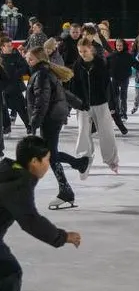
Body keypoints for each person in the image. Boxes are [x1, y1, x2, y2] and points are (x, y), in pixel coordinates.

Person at [0, 136, 82, 291]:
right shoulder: (18, 183)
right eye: (46, 160)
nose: (48, 164)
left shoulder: (9, 171)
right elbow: (30, 221)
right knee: (9, 273)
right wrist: (62, 237)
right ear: (34, 161)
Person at [25, 47, 88, 210]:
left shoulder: (41, 74)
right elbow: (62, 92)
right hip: (54, 116)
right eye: (27, 58)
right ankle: (77, 165)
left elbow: (42, 101)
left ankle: (67, 189)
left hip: (50, 118)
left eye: (30, 59)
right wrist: (79, 103)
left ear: (39, 59)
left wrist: (34, 122)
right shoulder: (45, 72)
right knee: (50, 154)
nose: (28, 61)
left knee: (50, 155)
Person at [71, 38, 119, 176]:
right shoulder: (77, 65)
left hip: (101, 104)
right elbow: (74, 85)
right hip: (83, 106)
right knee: (83, 133)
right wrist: (76, 102)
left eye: (85, 51)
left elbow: (107, 85)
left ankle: (112, 161)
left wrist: (111, 103)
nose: (82, 54)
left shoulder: (100, 64)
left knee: (106, 132)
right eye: (80, 51)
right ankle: (84, 161)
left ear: (91, 49)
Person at [1, 37, 30, 134]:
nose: (11, 48)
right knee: (3, 110)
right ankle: (6, 127)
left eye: (11, 45)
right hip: (3, 89)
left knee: (21, 108)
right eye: (8, 46)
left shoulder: (16, 56)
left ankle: (29, 126)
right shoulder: (0, 58)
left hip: (15, 88)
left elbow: (25, 67)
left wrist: (17, 74)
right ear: (2, 47)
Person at [108, 38, 135, 120]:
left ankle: (124, 114)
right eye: (117, 45)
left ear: (124, 46)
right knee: (115, 97)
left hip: (124, 78)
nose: (119, 47)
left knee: (123, 97)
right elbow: (106, 64)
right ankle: (117, 113)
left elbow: (135, 64)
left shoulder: (128, 56)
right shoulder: (112, 55)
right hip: (115, 78)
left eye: (120, 45)